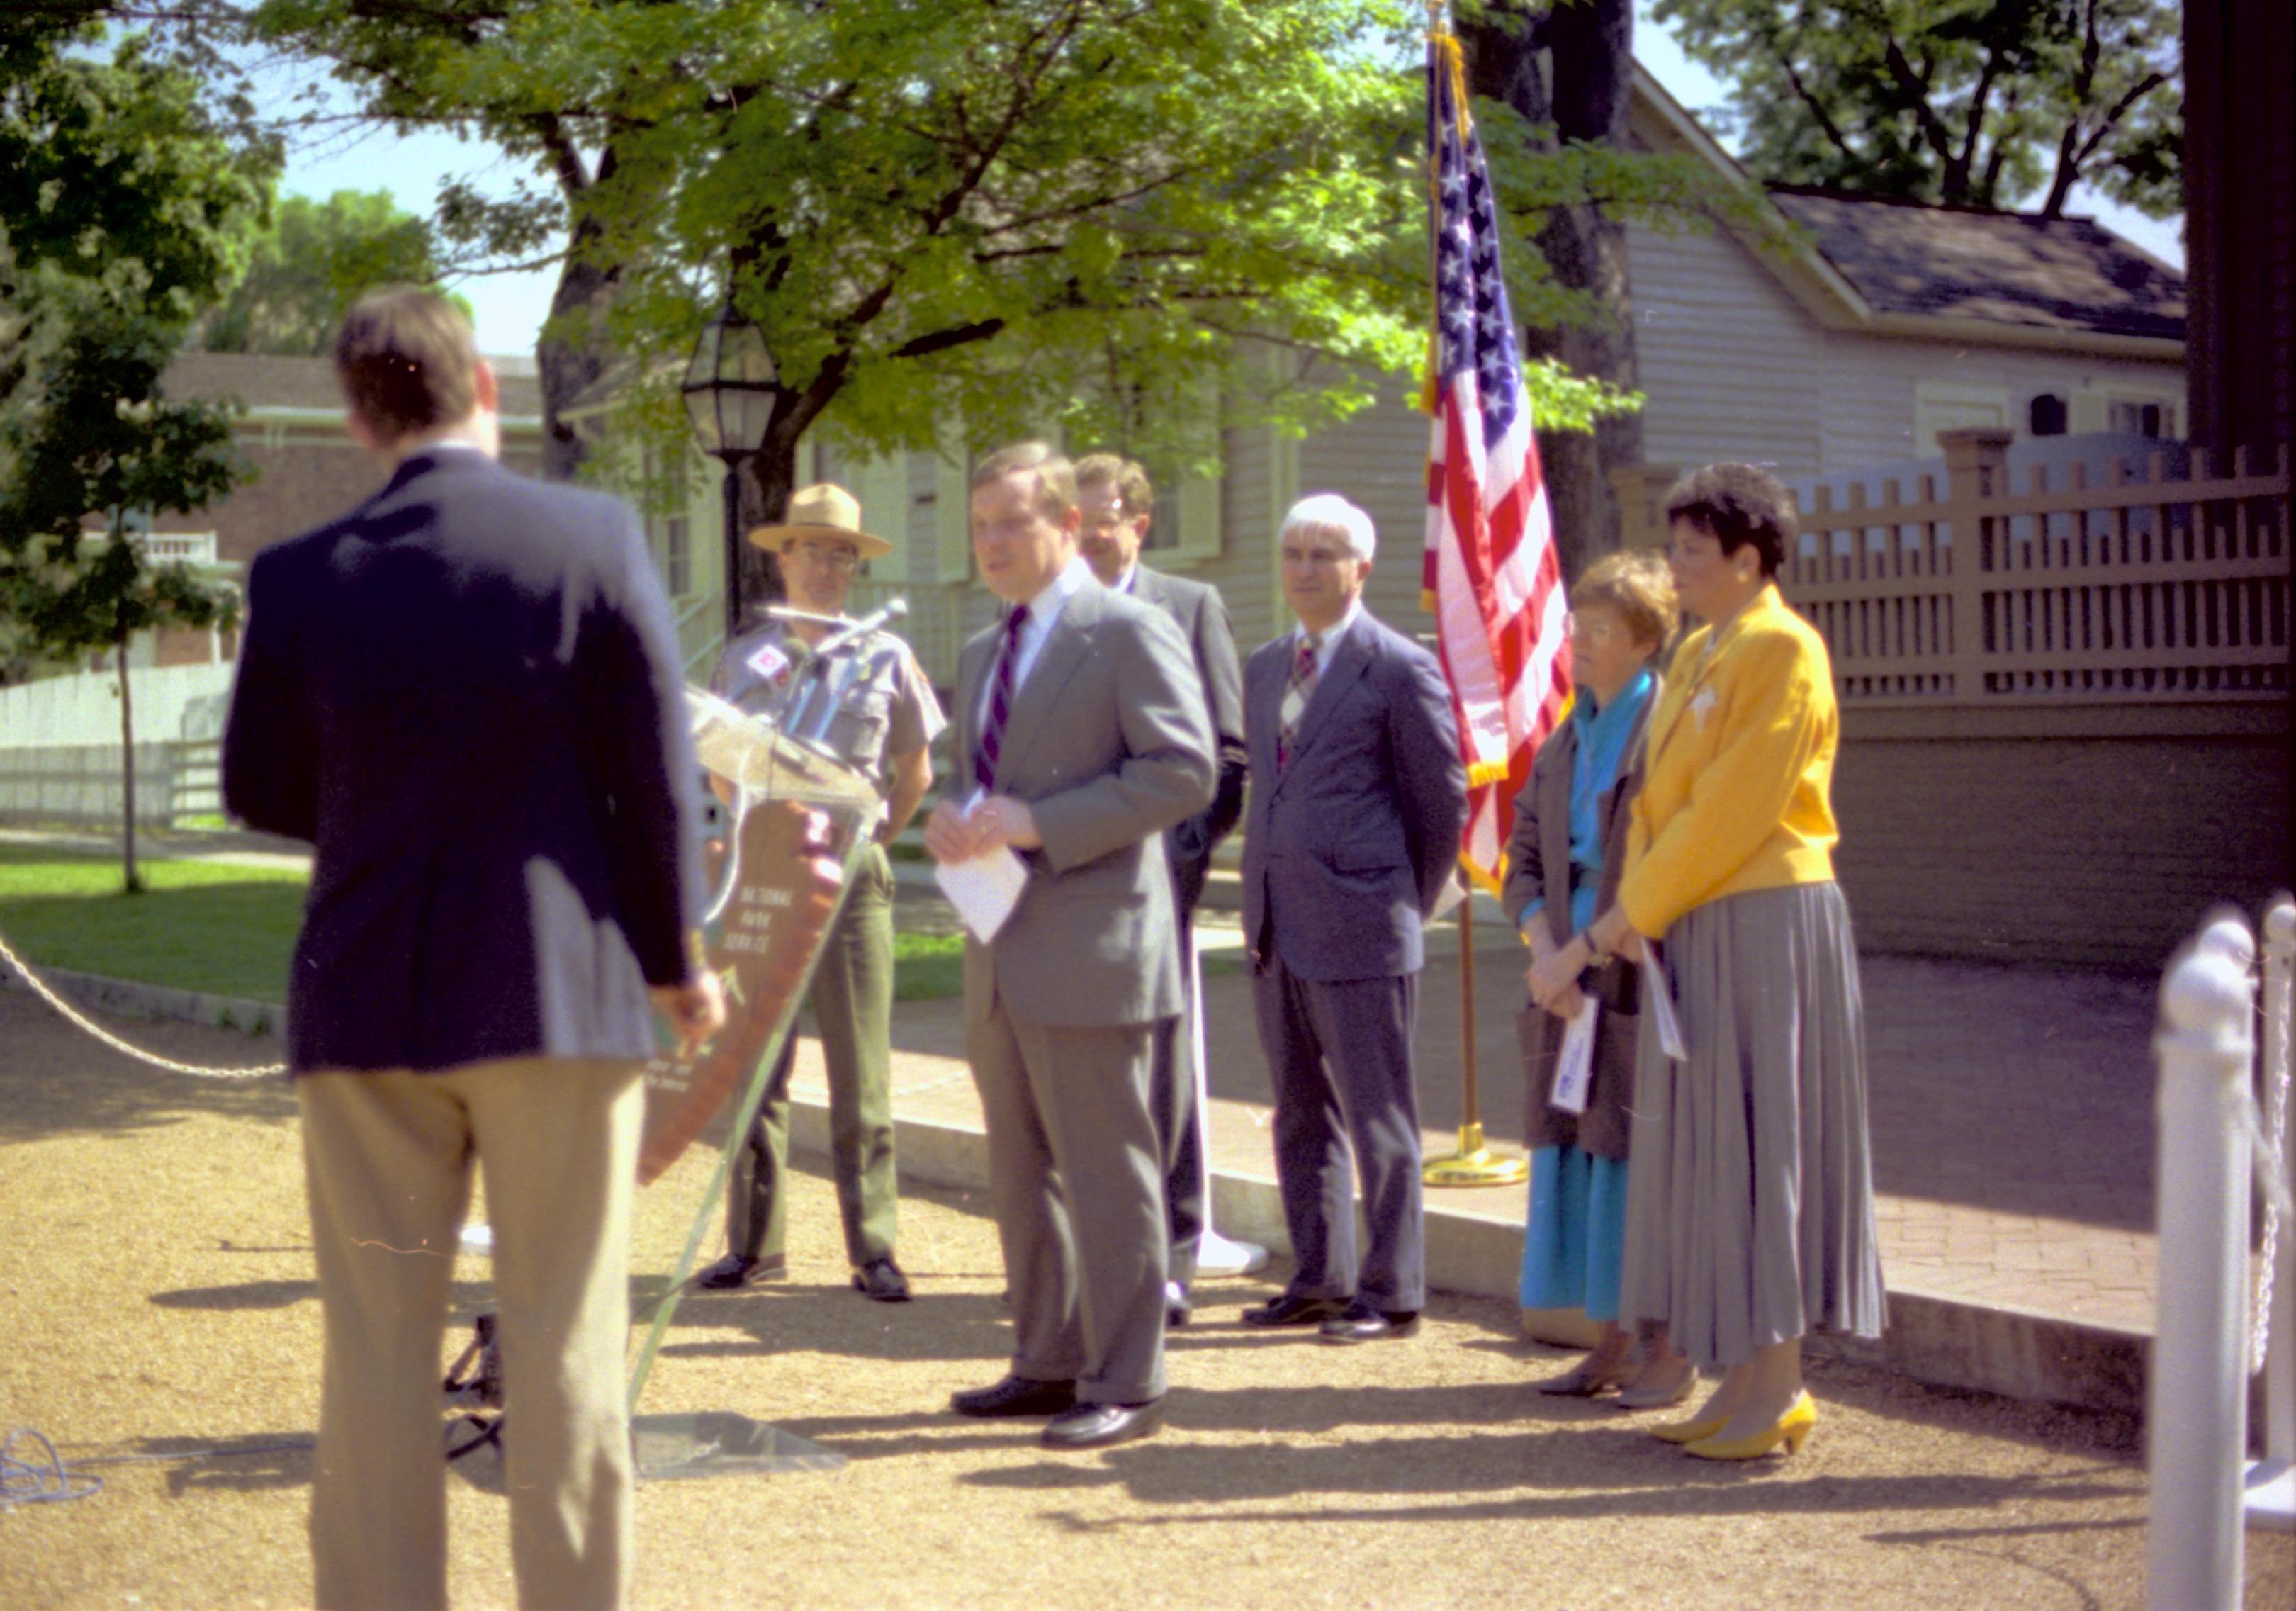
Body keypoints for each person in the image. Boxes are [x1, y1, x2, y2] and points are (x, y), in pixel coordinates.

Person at [221, 286, 723, 1610]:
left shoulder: (294, 576)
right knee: (564, 1347)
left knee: (377, 1354)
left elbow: (262, 789)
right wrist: (679, 956)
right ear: (483, 386)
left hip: (365, 997)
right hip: (560, 996)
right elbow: (657, 772)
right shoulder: (595, 538)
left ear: (356, 415)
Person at [1540, 463, 1886, 1462]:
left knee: (1761, 1141)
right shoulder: (1702, 647)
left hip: (1765, 915)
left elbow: (1731, 810)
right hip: (1695, 918)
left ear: (1748, 558)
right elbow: (1656, 806)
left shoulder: (1781, 647)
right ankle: (1745, 1376)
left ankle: (1778, 1383)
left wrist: (1609, 929)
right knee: (1717, 1158)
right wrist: (1638, 915)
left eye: (1694, 549)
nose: (1676, 565)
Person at [924, 442, 1214, 1450]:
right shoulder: (980, 651)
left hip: (1093, 950)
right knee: (1021, 1172)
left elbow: (1184, 772)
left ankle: (1129, 1378)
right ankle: (1046, 1360)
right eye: (979, 526)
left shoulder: (1128, 629)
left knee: (1108, 1171)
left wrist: (1039, 821)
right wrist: (947, 815)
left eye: (1010, 521)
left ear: (1069, 525)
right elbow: (972, 777)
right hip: (1000, 945)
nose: (992, 543)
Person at [692, 484, 945, 1303]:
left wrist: (865, 834)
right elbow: (718, 763)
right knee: (755, 1065)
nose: (828, 565)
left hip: (852, 875)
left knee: (860, 1066)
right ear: (783, 557)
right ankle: (754, 1244)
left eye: (842, 553)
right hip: (767, 871)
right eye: (813, 549)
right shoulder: (745, 659)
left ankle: (872, 1246)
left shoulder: (887, 657)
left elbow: (915, 769)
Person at [1237, 494, 1465, 1344]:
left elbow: (1441, 804)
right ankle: (1320, 1276)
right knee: (1299, 1112)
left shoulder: (1399, 667)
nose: (1304, 569)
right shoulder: (1264, 665)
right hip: (1275, 925)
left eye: (1324, 555)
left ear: (1361, 567)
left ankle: (1393, 1288)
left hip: (1364, 923)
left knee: (1378, 1112)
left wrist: (1397, 895)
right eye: (1293, 552)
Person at [1500, 551, 1690, 1405]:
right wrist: (1545, 952)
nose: (1579, 643)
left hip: (1633, 970)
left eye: (1601, 631)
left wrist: (1583, 956)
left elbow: (1663, 862)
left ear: (1647, 640)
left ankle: (1666, 1344)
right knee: (1580, 1145)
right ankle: (1608, 1339)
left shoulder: (1667, 731)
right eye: (1577, 627)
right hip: (1563, 970)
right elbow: (1523, 859)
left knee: (1636, 1152)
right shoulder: (1564, 736)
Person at [1074, 452, 1247, 1328]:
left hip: (1157, 880)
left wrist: (1179, 856)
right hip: (1066, 880)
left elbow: (1228, 752)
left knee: (1163, 1069)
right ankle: (1089, 1254)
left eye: (1099, 515)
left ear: (1139, 523)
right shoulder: (1042, 614)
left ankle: (1175, 1253)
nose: (1084, 530)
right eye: (1070, 513)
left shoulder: (1188, 607)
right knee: (1078, 1068)